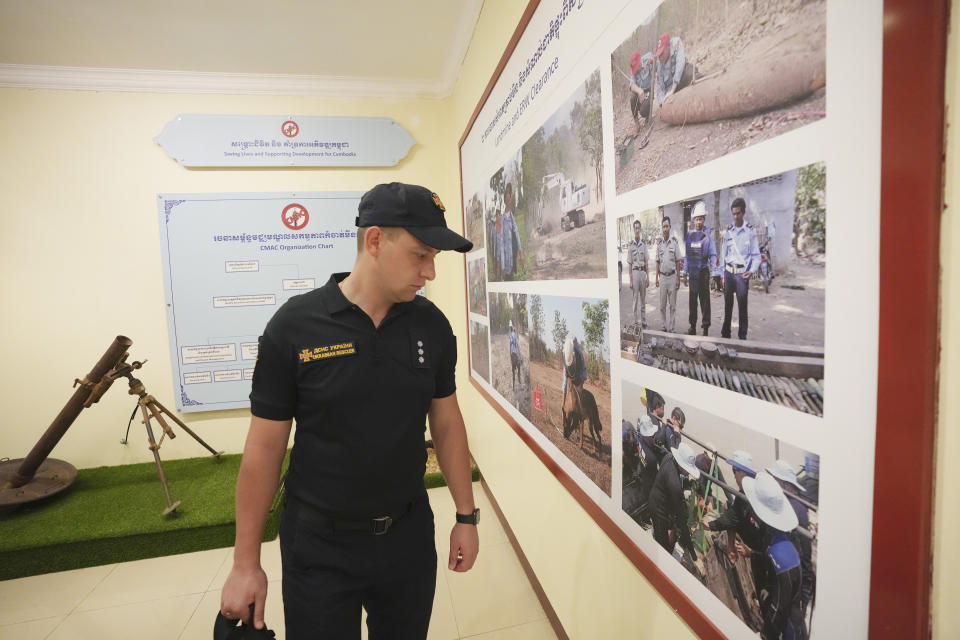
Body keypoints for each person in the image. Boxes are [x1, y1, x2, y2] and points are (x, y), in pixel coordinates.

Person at [220, 183, 480, 639]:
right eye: (421, 255)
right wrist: (246, 564)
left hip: (407, 537)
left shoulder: (431, 326)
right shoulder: (294, 327)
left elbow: (446, 421)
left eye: (434, 258)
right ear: (375, 240)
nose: (430, 272)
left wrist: (465, 516)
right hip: (318, 545)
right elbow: (264, 448)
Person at [741, 472, 807, 640]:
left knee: (783, 618)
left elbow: (778, 608)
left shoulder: (776, 553)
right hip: (792, 570)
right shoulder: (779, 536)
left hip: (789, 626)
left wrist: (765, 634)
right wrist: (753, 554)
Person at [767, 460, 816, 622]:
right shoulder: (793, 503)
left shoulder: (795, 510)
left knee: (791, 625)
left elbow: (805, 555)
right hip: (796, 576)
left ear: (787, 486)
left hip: (797, 581)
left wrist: (804, 593)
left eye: (775, 481)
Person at [648, 441, 701, 558]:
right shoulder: (675, 485)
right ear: (682, 465)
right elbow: (681, 521)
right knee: (663, 548)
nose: (688, 473)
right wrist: (693, 553)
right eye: (688, 470)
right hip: (658, 510)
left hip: (657, 495)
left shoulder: (669, 457)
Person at [721, 197, 760, 340]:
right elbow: (723, 253)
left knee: (742, 308)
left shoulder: (750, 232)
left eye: (738, 213)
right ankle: (726, 335)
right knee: (728, 307)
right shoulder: (729, 231)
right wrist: (722, 275)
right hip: (729, 273)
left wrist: (752, 270)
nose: (735, 216)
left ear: (743, 213)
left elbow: (756, 255)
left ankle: (742, 337)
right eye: (734, 214)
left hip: (742, 275)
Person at [685, 201, 718, 336]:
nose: (699, 221)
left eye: (701, 219)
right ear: (693, 220)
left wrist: (714, 273)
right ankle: (692, 327)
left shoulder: (708, 235)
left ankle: (705, 329)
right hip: (693, 273)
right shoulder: (690, 235)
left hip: (703, 272)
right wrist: (685, 272)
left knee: (704, 302)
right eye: (697, 219)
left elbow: (713, 254)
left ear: (704, 219)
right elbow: (687, 255)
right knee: (692, 302)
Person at [656, 216, 682, 332]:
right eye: (663, 227)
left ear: (670, 227)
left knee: (672, 305)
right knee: (662, 306)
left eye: (667, 226)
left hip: (672, 277)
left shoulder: (674, 243)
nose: (665, 229)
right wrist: (656, 278)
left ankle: (671, 327)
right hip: (662, 277)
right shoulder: (659, 244)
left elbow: (678, 261)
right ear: (662, 228)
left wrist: (678, 278)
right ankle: (663, 326)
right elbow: (657, 262)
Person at [655, 33, 695, 106]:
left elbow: (680, 63)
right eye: (659, 55)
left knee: (689, 71)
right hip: (672, 91)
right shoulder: (660, 67)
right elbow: (660, 88)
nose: (660, 57)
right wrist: (662, 101)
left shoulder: (675, 43)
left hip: (681, 79)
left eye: (662, 53)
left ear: (668, 47)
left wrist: (673, 89)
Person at [498, 183, 523, 280]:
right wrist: (503, 266)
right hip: (507, 263)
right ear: (505, 201)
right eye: (507, 199)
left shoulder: (512, 216)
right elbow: (501, 244)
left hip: (513, 258)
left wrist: (520, 253)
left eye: (510, 198)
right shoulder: (502, 219)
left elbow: (516, 234)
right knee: (509, 278)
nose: (509, 201)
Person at [627, 219, 649, 328]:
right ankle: (635, 322)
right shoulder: (630, 246)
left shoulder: (644, 245)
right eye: (635, 228)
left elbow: (646, 262)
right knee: (635, 299)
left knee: (643, 299)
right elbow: (630, 265)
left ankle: (644, 321)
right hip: (635, 273)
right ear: (633, 229)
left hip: (642, 273)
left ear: (640, 229)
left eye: (638, 228)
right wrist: (630, 280)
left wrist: (648, 277)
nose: (637, 230)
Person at [628, 51, 655, 126]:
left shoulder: (648, 57)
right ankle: (636, 121)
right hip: (640, 91)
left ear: (640, 60)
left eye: (637, 66)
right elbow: (632, 85)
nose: (636, 70)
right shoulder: (634, 71)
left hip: (649, 90)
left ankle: (647, 115)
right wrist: (639, 91)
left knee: (643, 111)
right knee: (632, 97)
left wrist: (653, 61)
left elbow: (657, 66)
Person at [508, 320, 522, 390]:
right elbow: (519, 347)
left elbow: (510, 349)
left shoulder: (510, 337)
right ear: (515, 331)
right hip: (516, 355)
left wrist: (510, 357)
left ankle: (513, 386)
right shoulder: (516, 337)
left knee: (513, 371)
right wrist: (521, 357)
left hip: (512, 355)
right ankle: (520, 384)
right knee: (519, 370)